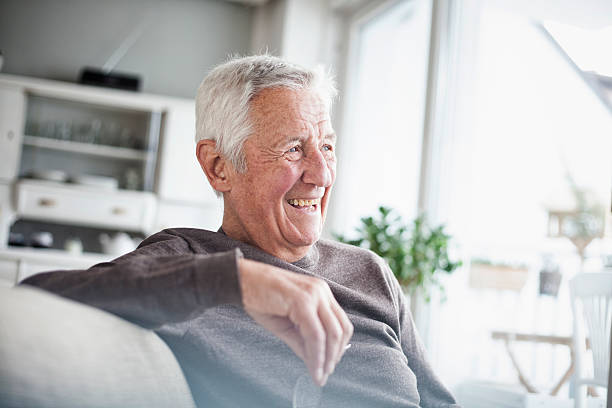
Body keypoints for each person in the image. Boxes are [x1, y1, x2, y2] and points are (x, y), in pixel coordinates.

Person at [22, 55, 459, 407]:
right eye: (293, 149)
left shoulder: (370, 273)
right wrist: (235, 279)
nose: (323, 173)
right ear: (218, 166)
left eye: (327, 146)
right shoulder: (186, 257)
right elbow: (36, 298)